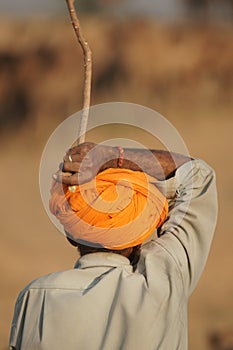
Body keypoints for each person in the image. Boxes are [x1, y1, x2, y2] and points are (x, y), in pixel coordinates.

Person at [9, 142, 218, 350]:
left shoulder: (35, 296)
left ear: (70, 235)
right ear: (139, 236)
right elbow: (199, 177)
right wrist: (111, 157)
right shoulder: (162, 284)